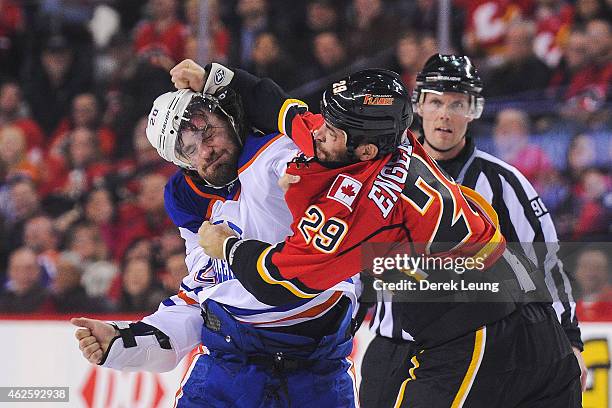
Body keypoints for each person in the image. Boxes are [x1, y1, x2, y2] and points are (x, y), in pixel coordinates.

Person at [191, 61, 582, 406]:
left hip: (477, 335)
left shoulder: (359, 208)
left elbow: (279, 280)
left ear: (363, 152)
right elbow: (283, 109)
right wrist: (211, 77)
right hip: (536, 321)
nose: (319, 132)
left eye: (332, 129)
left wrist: (226, 245)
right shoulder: (380, 140)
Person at [72, 74, 358, 406]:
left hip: (317, 374)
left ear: (229, 116)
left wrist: (220, 76)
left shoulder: (275, 155)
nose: (205, 151)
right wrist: (124, 341)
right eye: (188, 149)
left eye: (207, 131)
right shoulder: (188, 198)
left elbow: (321, 149)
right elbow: (200, 296)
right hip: (228, 370)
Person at [360, 54, 586, 408]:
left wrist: (570, 341)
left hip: (483, 348)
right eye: (435, 101)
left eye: (457, 103)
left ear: (474, 109)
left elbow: (547, 264)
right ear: (418, 105)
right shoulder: (382, 175)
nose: (445, 114)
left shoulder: (505, 183)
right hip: (394, 347)